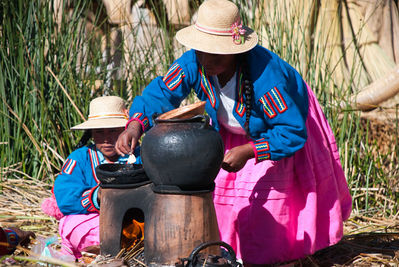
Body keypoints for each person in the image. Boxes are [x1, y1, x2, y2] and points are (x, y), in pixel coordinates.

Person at [115, 0, 352, 265]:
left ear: (236, 50)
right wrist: (136, 123)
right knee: (223, 204)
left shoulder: (266, 79)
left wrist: (251, 150)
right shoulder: (194, 61)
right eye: (203, 51)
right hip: (235, 129)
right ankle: (230, 255)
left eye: (218, 53)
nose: (207, 59)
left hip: (279, 129)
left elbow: (290, 131)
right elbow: (162, 92)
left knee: (266, 215)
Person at [42, 95, 142, 259]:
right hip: (92, 223)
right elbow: (65, 198)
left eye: (113, 130)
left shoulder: (140, 156)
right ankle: (106, 249)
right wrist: (97, 196)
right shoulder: (79, 159)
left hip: (131, 223)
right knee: (71, 225)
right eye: (99, 132)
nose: (107, 139)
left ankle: (118, 248)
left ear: (125, 131)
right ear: (92, 133)